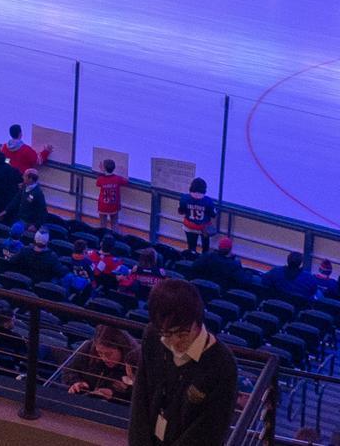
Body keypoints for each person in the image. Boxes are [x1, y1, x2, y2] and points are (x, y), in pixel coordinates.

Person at [132, 278, 237, 446]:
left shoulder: (222, 364)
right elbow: (140, 398)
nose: (173, 342)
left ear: (198, 321)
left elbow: (210, 430)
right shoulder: (153, 336)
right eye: (166, 333)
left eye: (182, 334)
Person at [67, 324, 137, 400]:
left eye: (108, 354)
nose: (104, 358)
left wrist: (114, 395)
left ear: (122, 349)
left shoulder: (135, 360)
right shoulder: (88, 348)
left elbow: (137, 396)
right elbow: (69, 371)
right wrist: (76, 382)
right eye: (99, 353)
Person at [179, 177, 216, 253]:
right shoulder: (208, 201)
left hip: (189, 227)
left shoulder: (184, 198)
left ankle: (191, 260)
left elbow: (181, 211)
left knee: (191, 248)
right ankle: (203, 262)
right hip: (204, 228)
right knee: (205, 249)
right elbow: (213, 215)